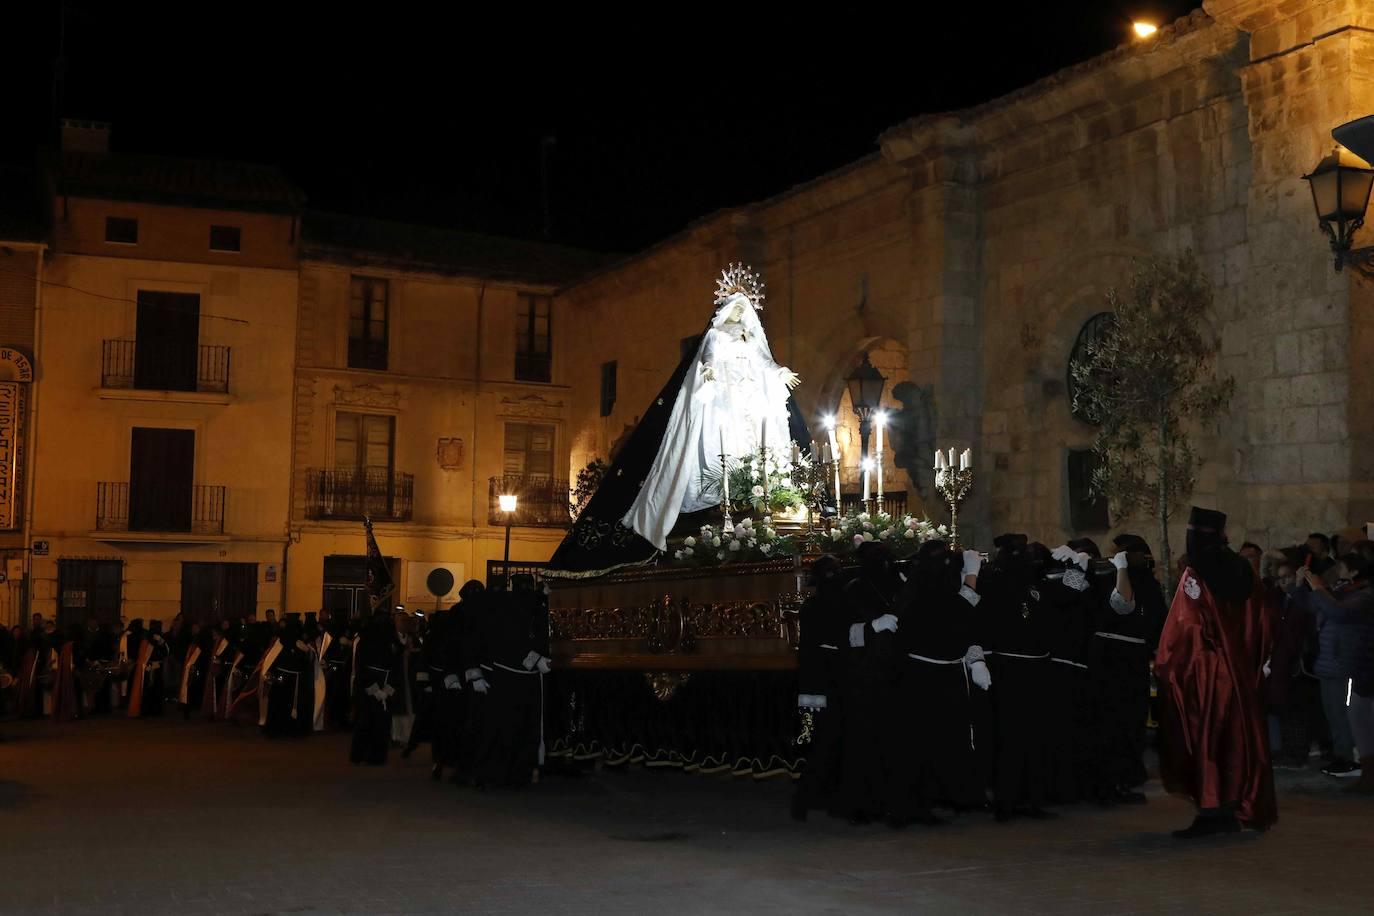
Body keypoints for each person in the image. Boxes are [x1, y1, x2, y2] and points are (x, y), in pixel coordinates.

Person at [1155, 506, 1277, 838]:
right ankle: (1229, 806)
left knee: (1207, 739)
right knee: (1234, 740)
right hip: (1237, 673)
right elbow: (1262, 621)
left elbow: (1188, 625)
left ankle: (1212, 810)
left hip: (1205, 672)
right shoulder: (1244, 570)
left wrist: (1170, 664)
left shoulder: (1196, 573)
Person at [887, 541, 990, 824]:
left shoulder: (925, 588)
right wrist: (971, 575)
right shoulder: (923, 592)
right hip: (921, 676)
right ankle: (910, 805)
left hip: (943, 675)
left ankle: (949, 796)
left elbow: (960, 621)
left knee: (946, 741)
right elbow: (958, 611)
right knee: (918, 743)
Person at [981, 535, 1057, 822]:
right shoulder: (995, 582)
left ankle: (1034, 798)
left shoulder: (1036, 583)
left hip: (1037, 667)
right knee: (1011, 738)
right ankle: (1006, 800)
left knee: (1036, 736)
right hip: (1009, 668)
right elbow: (987, 623)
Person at [1086, 534, 1166, 805]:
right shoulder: (1113, 578)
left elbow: (1157, 620)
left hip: (1133, 660)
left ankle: (1122, 780)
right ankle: (1108, 783)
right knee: (1112, 723)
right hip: (1114, 661)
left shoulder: (1146, 583)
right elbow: (1121, 604)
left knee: (1130, 723)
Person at [834, 542, 905, 824]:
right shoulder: (853, 590)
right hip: (864, 675)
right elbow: (840, 633)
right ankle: (861, 804)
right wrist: (871, 628)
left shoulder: (898, 586)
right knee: (864, 741)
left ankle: (895, 800)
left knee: (894, 742)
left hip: (896, 672)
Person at [1293, 539, 1374, 782]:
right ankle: (1343, 757)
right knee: (1334, 714)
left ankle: (1353, 760)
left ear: (1355, 570)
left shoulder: (1364, 595)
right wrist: (1300, 586)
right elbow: (1311, 606)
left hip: (1348, 663)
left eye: (1341, 567)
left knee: (1349, 716)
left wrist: (1318, 588)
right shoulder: (1342, 591)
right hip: (1329, 662)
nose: (1336, 572)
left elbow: (1338, 612)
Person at [473, 575, 551, 788]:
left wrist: (539, 656)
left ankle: (516, 774)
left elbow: (538, 635)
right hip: (510, 675)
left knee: (519, 728)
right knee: (506, 727)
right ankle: (502, 774)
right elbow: (509, 638)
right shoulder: (511, 608)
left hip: (521, 677)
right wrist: (535, 658)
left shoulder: (532, 606)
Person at [790, 555, 849, 821]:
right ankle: (810, 798)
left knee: (825, 741)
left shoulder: (818, 604)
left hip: (820, 681)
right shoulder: (825, 605)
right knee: (823, 742)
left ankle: (822, 796)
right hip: (825, 682)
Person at [351, 612, 400, 765]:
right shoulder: (365, 642)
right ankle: (360, 754)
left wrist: (388, 689)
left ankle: (377, 755)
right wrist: (374, 689)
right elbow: (361, 667)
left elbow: (396, 667)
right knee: (365, 721)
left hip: (386, 684)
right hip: (368, 687)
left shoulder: (392, 641)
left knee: (382, 723)